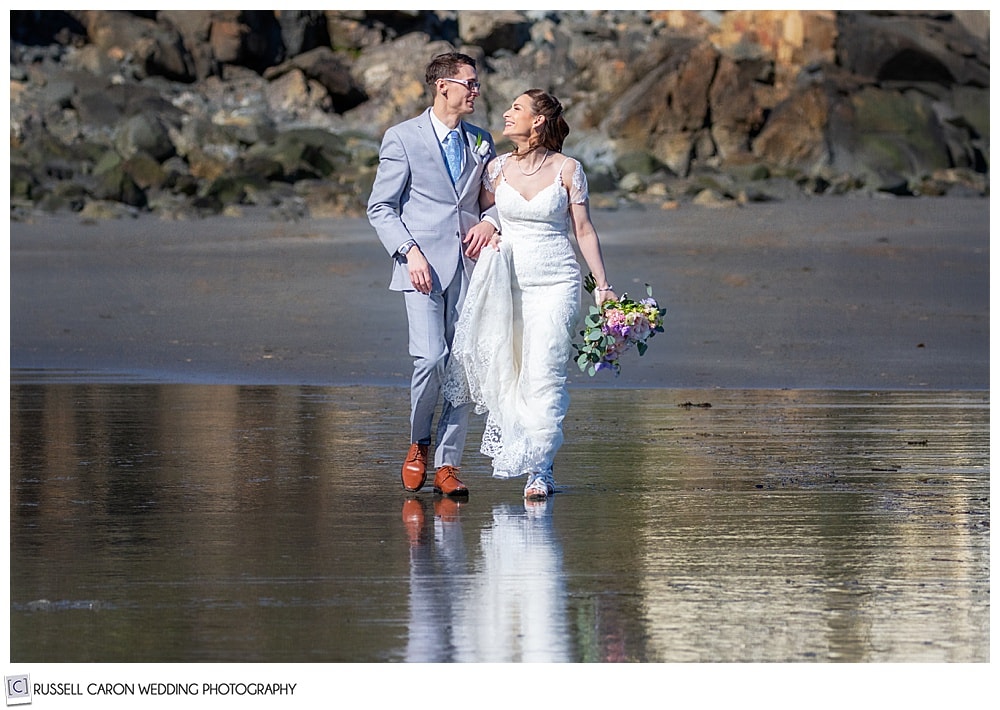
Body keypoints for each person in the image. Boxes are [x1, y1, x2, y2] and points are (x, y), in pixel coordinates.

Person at [442, 89, 617, 500]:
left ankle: (539, 470)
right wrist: (490, 225)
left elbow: (584, 230)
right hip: (507, 284)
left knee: (545, 372)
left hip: (556, 283)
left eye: (516, 108)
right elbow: (479, 211)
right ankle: (532, 454)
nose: (506, 114)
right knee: (512, 371)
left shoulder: (568, 170)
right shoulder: (497, 169)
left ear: (538, 120)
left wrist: (603, 287)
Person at [368, 52, 499, 498]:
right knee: (430, 359)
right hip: (420, 269)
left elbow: (494, 200)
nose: (476, 91)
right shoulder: (402, 138)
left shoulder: (482, 141)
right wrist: (410, 253)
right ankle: (419, 443)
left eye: (476, 84)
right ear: (443, 86)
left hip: (472, 267)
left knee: (463, 366)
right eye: (470, 83)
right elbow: (381, 207)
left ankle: (448, 463)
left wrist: (490, 221)